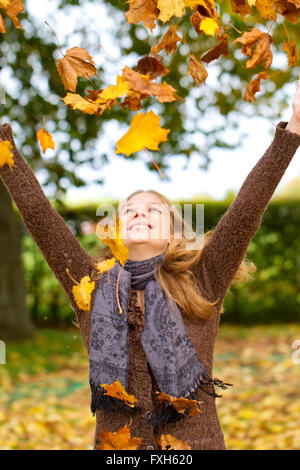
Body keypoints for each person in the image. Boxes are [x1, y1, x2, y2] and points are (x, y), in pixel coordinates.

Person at [0, 74, 300, 450]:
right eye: (130, 211)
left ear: (174, 233)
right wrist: (3, 150)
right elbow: (40, 218)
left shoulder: (201, 279)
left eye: (153, 210)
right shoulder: (91, 284)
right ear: (117, 229)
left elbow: (245, 212)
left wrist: (294, 129)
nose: (139, 214)